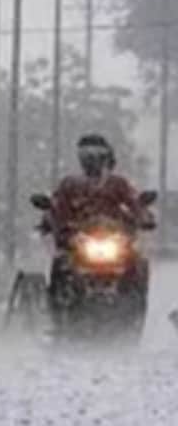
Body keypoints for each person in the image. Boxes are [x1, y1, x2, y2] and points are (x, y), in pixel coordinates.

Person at [46, 133, 150, 321]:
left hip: (114, 241)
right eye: (86, 154)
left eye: (96, 154)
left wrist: (143, 217)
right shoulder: (70, 184)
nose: (90, 159)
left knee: (137, 263)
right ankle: (57, 311)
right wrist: (54, 222)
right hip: (78, 242)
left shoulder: (118, 184)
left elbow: (134, 204)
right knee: (61, 264)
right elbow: (57, 208)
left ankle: (135, 308)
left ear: (106, 156)